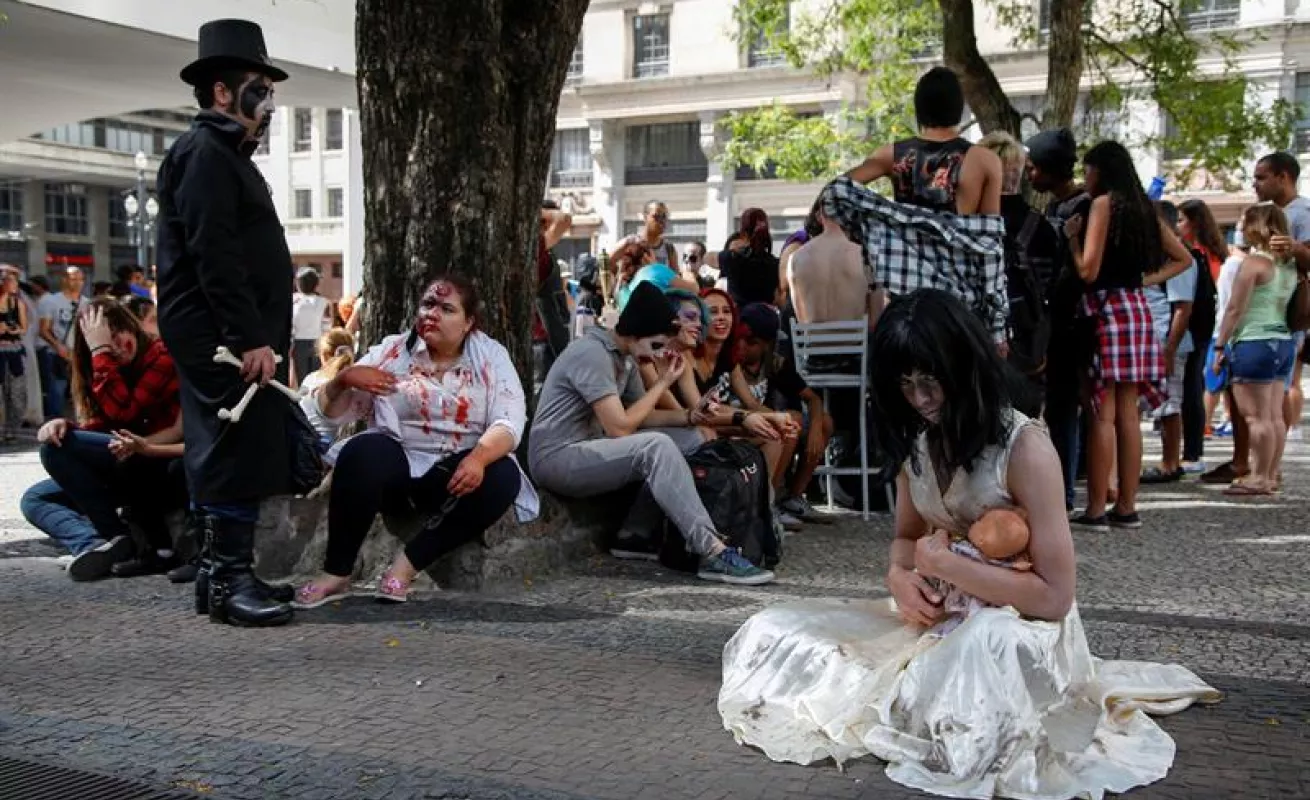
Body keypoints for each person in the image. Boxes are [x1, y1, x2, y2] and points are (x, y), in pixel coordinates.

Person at [717, 288, 1219, 797]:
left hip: (1018, 627)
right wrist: (901, 576)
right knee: (774, 628)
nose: (921, 399)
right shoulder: (915, 438)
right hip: (937, 616)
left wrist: (947, 566)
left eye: (931, 382)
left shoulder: (1024, 447)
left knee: (986, 646)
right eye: (906, 385)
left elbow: (1054, 597)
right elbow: (906, 539)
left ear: (963, 368)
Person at [155, 19, 298, 627]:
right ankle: (228, 582)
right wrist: (248, 339)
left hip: (225, 334)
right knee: (230, 451)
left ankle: (221, 577)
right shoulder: (206, 153)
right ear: (221, 92)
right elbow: (215, 254)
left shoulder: (222, 153)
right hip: (221, 338)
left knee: (231, 449)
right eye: (258, 87)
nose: (268, 102)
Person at [294, 277, 536, 607]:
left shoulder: (491, 357)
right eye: (427, 305)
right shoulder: (393, 351)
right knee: (361, 452)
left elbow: (509, 422)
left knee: (504, 476)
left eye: (446, 309)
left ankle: (405, 568)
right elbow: (326, 414)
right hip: (398, 471)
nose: (432, 314)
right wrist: (342, 381)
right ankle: (337, 573)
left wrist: (479, 458)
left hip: (459, 473)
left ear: (468, 323)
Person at [529, 281, 775, 585]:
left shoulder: (627, 357)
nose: (659, 353)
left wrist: (689, 416)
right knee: (655, 446)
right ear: (636, 333)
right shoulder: (592, 354)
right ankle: (712, 550)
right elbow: (620, 427)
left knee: (693, 438)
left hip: (590, 447)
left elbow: (643, 416)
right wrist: (661, 383)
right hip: (557, 458)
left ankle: (634, 535)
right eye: (656, 344)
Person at [1064, 141, 1191, 532]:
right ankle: (1127, 507)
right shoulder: (1144, 209)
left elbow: (1087, 271)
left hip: (1106, 311)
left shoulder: (1104, 205)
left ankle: (1096, 508)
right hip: (1136, 310)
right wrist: (1142, 280)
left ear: (1102, 170)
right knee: (1128, 416)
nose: (1085, 177)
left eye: (1089, 170)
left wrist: (1072, 237)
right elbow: (1183, 258)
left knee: (1102, 413)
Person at [20, 299, 187, 581]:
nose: (118, 348)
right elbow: (107, 422)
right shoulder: (101, 365)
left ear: (130, 326)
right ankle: (94, 544)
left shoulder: (162, 356)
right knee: (35, 498)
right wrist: (64, 424)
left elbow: (125, 411)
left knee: (57, 452)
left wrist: (100, 351)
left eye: (117, 334)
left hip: (155, 459)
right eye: (105, 344)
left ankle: (115, 536)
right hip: (122, 456)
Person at [1211, 204, 1300, 496]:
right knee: (1273, 415)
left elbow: (1235, 308)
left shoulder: (1253, 264)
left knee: (1255, 417)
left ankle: (1258, 477)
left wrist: (1221, 344)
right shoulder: (1288, 264)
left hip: (1253, 342)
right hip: (1283, 341)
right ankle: (1270, 473)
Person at [1025, 128, 1091, 513]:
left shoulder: (1083, 207)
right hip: (1051, 320)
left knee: (1065, 408)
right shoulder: (1051, 210)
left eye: (1034, 168)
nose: (1030, 175)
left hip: (1070, 323)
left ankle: (1065, 492)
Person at [847, 66, 1002, 216]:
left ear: (919, 107)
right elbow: (989, 233)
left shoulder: (891, 154)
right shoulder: (985, 161)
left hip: (904, 242)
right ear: (959, 107)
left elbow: (835, 191)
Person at [731, 303, 833, 524]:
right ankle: (772, 499)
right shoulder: (731, 364)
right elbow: (747, 405)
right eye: (739, 338)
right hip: (740, 426)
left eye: (751, 342)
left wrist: (815, 428)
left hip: (766, 423)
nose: (742, 346)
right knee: (791, 421)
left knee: (824, 422)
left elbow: (813, 399)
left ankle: (794, 498)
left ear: (767, 345)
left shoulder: (775, 364)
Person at [1251, 152, 1310, 442]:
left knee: (1278, 389)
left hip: (1285, 315)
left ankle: (1270, 464)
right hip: (1262, 314)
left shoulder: (1303, 213)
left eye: (1261, 177)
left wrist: (1296, 249)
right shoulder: (1270, 212)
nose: (1255, 184)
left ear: (1283, 177)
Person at [1141, 201, 1197, 484]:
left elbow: (1182, 308)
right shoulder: (1156, 256)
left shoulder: (1177, 259)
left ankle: (1170, 462)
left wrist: (1169, 348)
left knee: (1169, 404)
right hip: (1151, 338)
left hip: (1166, 340)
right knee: (1159, 404)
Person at [1177, 199, 1225, 470]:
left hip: (1199, 326)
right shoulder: (1213, 252)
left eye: (1182, 220)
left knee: (1191, 388)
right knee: (1192, 387)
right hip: (1205, 326)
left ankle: (1192, 451)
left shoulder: (1199, 254)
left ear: (1194, 222)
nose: (1178, 226)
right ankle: (1192, 449)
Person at [786, 203, 876, 327]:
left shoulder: (795, 258)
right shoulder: (867, 257)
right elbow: (875, 320)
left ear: (820, 215)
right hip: (854, 344)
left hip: (812, 344)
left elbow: (802, 321)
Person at [36, 266, 84, 421]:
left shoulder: (87, 303)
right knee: (57, 388)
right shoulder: (51, 301)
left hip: (79, 353)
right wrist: (58, 346)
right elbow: (44, 330)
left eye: (80, 279)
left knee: (80, 389)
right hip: (56, 352)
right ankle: (56, 421)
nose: (77, 283)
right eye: (73, 279)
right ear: (64, 280)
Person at [297, 327, 357, 449]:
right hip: (329, 452)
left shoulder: (310, 379)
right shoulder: (354, 388)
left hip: (302, 446)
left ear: (322, 355)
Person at [718, 208, 781, 308]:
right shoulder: (775, 264)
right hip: (767, 317)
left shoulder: (731, 259)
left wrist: (733, 249)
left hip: (741, 318)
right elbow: (778, 298)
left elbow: (707, 258)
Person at [0, 266, 29, 442]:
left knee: (16, 393)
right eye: (10, 281)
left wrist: (14, 329)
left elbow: (24, 328)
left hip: (14, 350)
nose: (14, 285)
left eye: (15, 281)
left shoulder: (18, 304)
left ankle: (12, 429)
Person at [290, 268, 329, 388]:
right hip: (318, 341)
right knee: (315, 377)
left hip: (299, 342)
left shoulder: (294, 301)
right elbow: (326, 324)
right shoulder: (323, 302)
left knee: (301, 378)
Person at [624, 200, 679, 269]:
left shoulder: (669, 248)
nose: (661, 220)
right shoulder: (631, 242)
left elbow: (675, 277)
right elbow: (609, 264)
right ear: (645, 217)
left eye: (664, 216)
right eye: (656, 216)